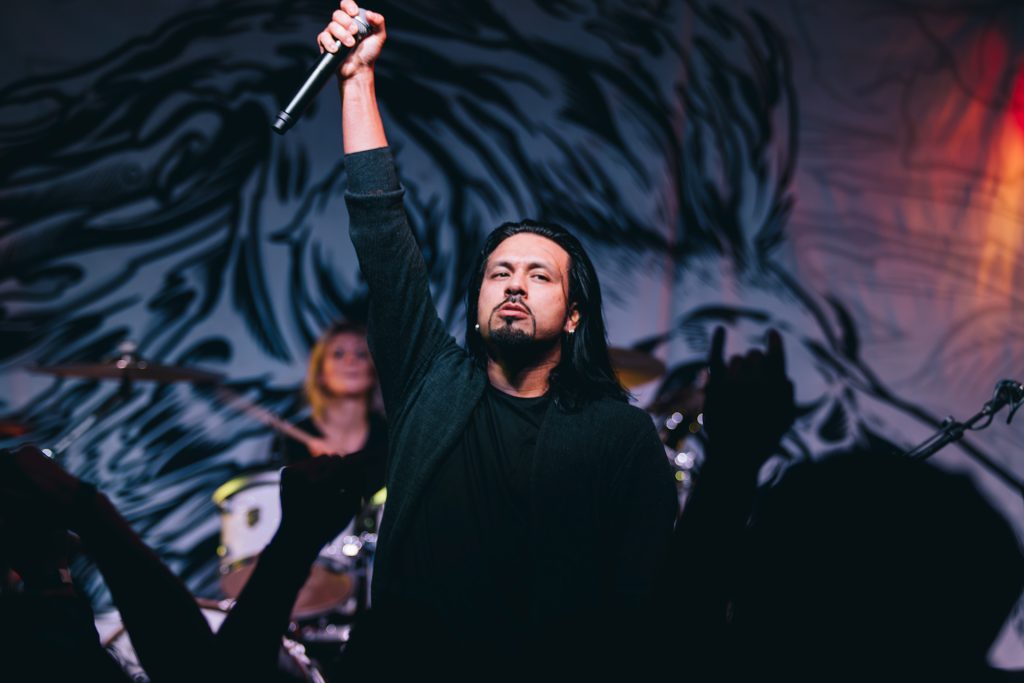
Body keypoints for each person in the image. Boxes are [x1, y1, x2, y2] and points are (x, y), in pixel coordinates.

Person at [318, 2, 679, 674]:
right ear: (478, 301)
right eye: (499, 273)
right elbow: (382, 232)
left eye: (539, 276)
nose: (514, 285)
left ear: (574, 314)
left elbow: (651, 604)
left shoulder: (619, 436)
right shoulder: (429, 378)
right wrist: (358, 81)